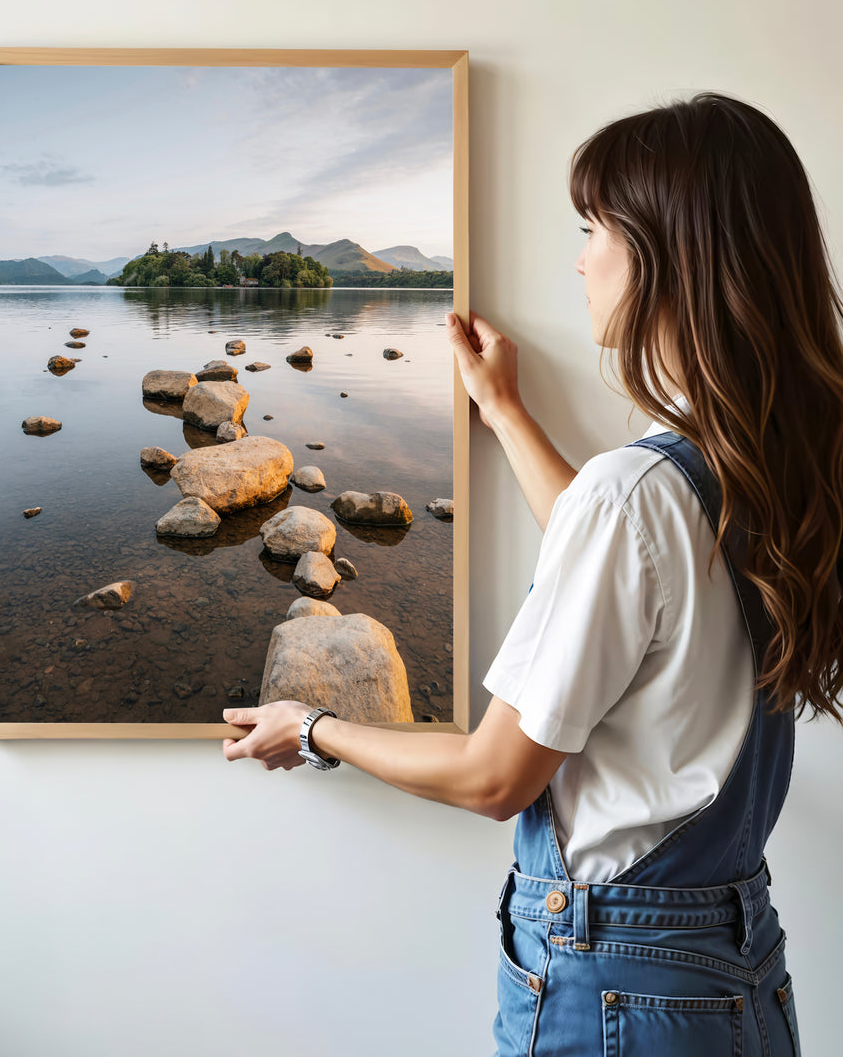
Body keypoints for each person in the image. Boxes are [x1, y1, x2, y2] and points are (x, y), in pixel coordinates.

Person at [221, 91, 843, 1055]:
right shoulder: (763, 464)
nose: (580, 256)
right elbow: (633, 581)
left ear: (669, 255)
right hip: (730, 969)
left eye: (595, 228)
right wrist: (506, 412)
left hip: (617, 986)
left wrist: (312, 727)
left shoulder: (638, 492)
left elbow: (492, 776)